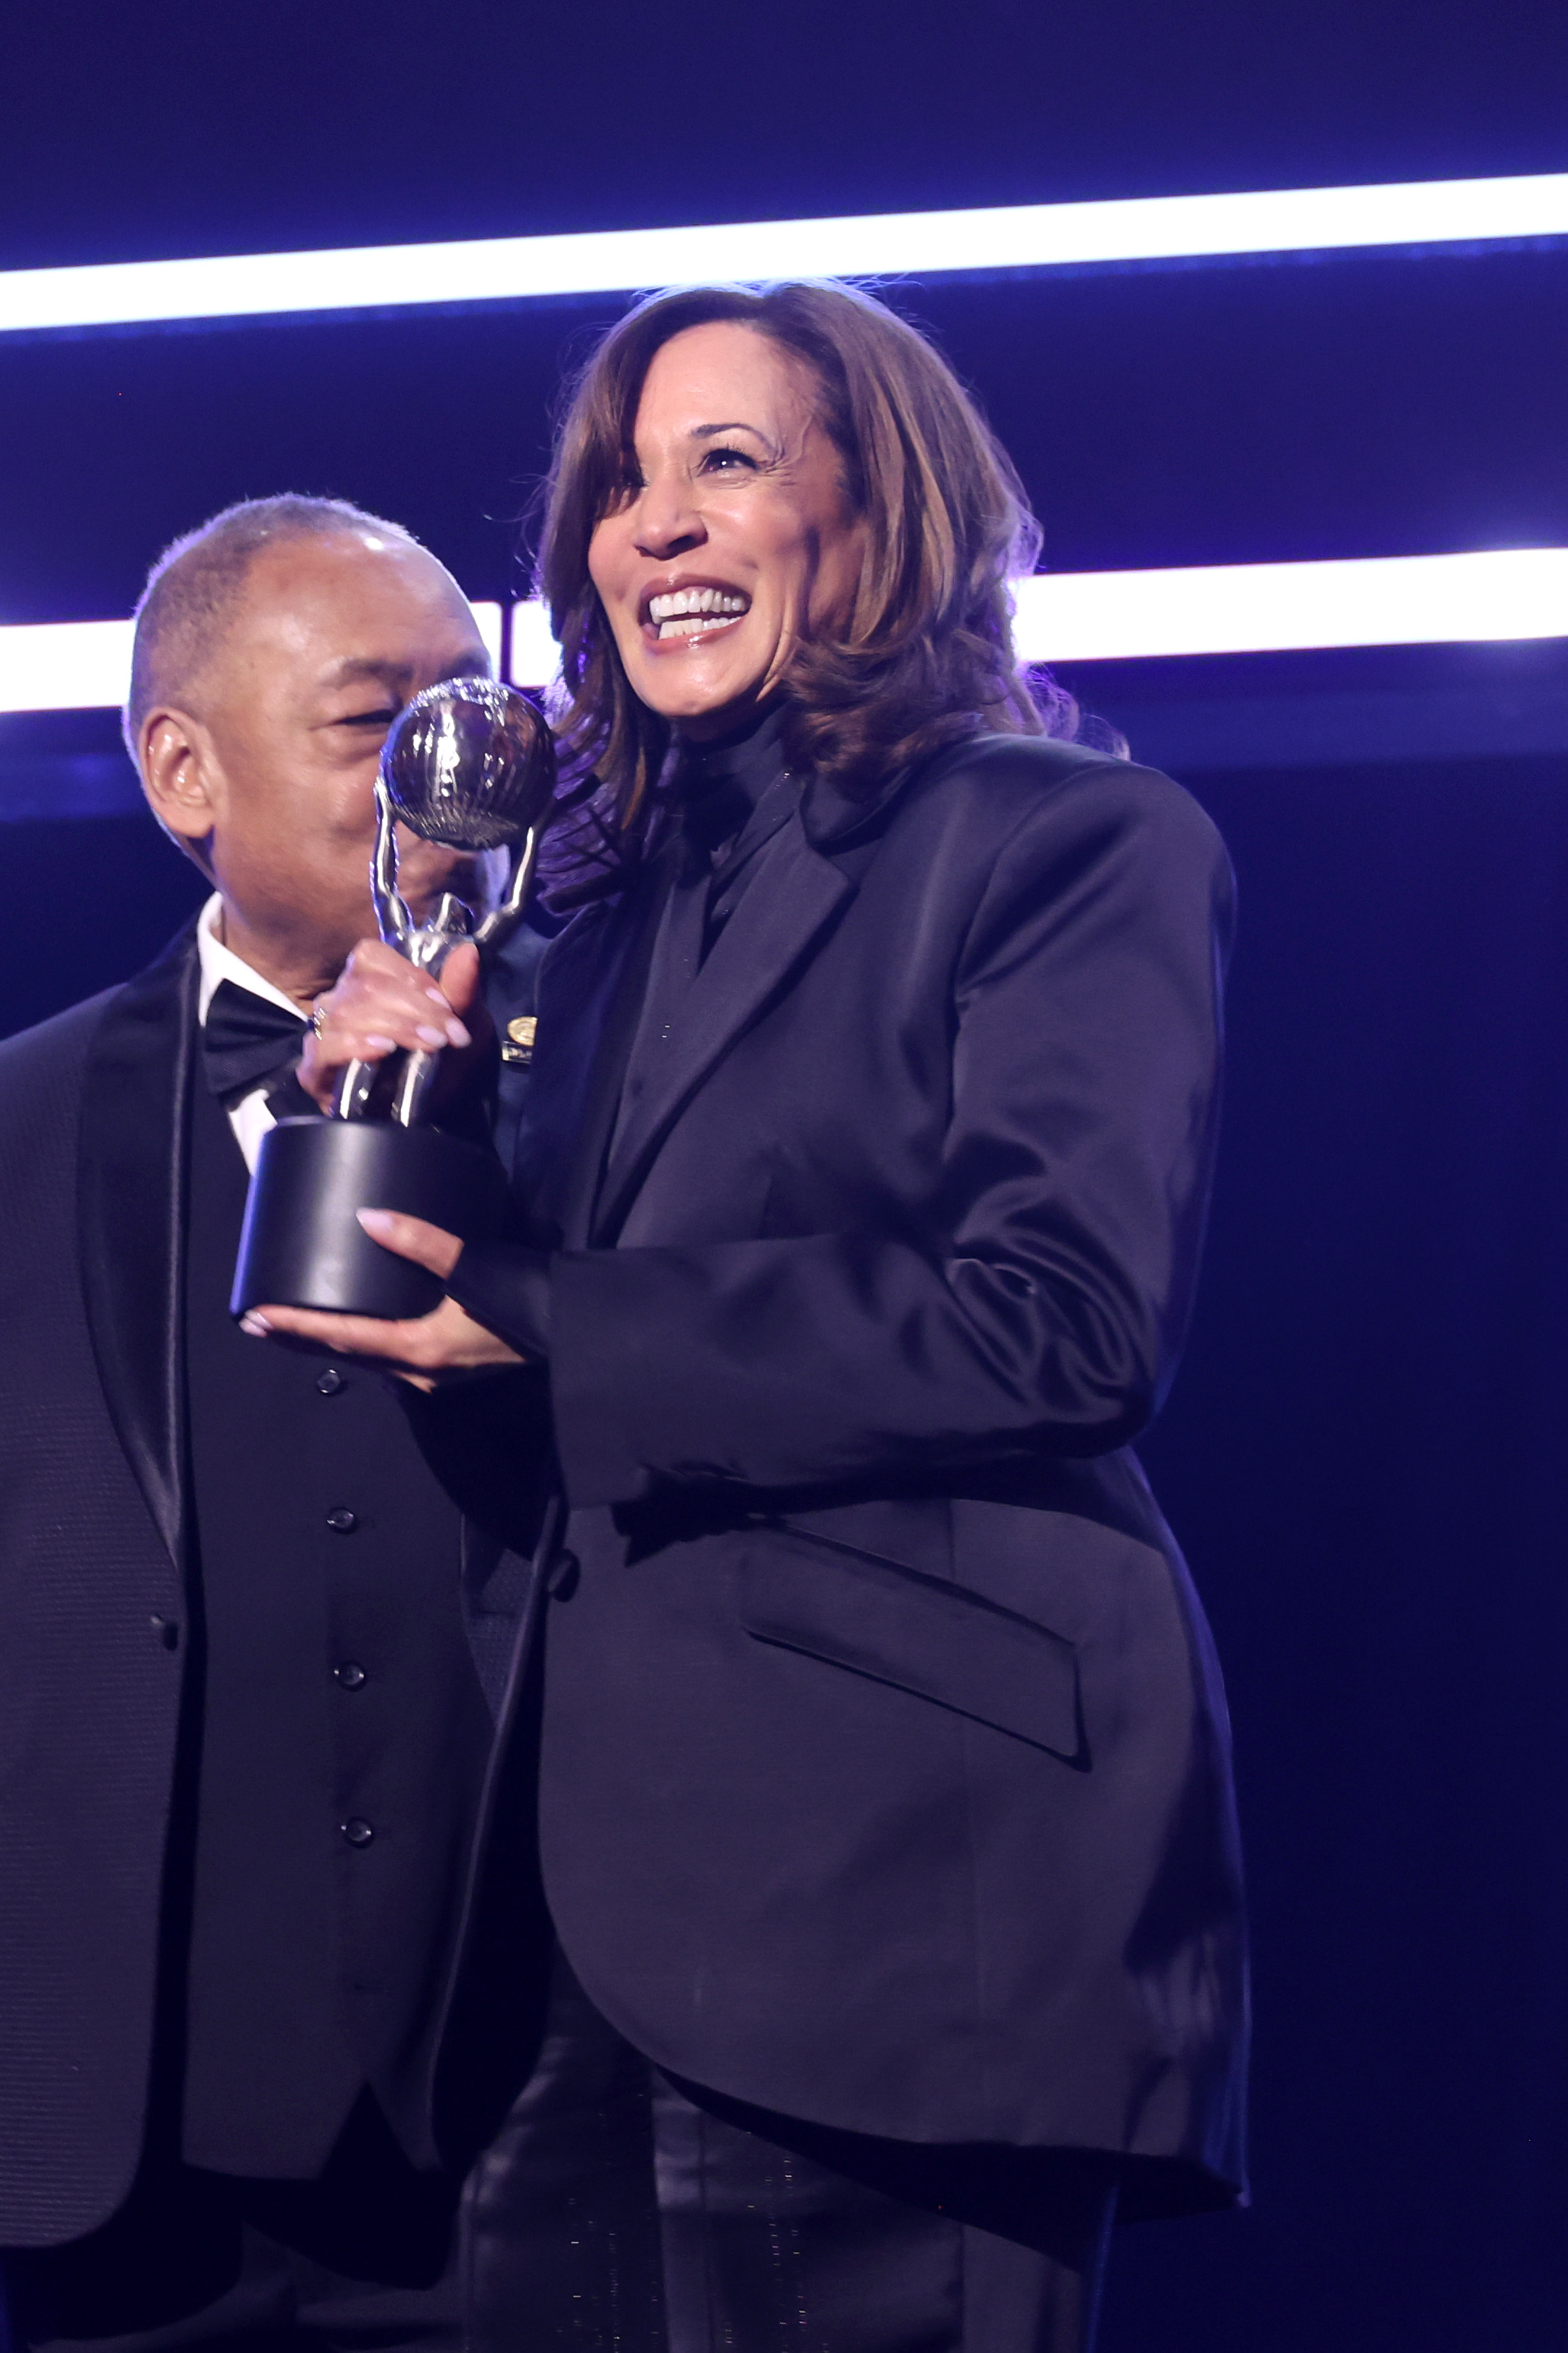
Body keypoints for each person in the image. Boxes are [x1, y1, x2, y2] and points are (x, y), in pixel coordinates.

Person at [266, 282, 1249, 2353]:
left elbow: (1059, 1323)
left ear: (872, 507)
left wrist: (541, 1315)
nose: (657, 527)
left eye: (726, 462)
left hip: (900, 1899)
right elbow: (497, 1378)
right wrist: (408, 1083)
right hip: (567, 1932)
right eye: (624, 483)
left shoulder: (1068, 843)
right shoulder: (579, 913)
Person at [0, 495, 558, 2351]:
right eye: (380, 726)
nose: (457, 779)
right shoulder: (19, 1128)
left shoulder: (637, 1092)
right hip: (117, 2169)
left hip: (535, 2133)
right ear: (183, 771)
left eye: (484, 722)